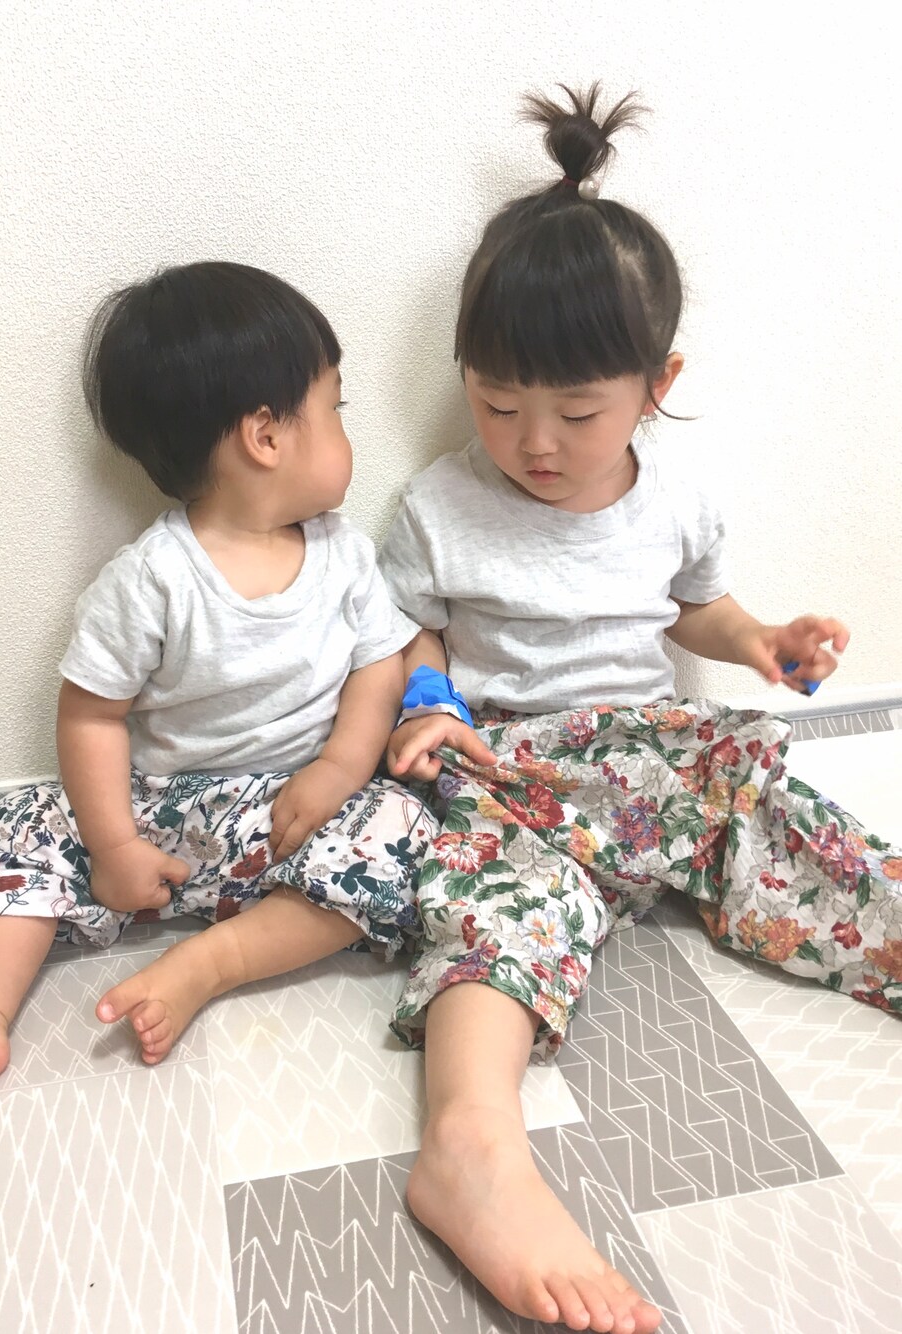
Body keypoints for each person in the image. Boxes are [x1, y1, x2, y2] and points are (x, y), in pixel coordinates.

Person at [380, 84, 902, 1334]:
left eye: (576, 411)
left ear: (657, 384)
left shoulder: (676, 495)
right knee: (492, 909)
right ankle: (469, 1144)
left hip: (659, 766)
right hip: (516, 770)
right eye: (496, 403)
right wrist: (429, 698)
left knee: (785, 823)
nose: (534, 443)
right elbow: (406, 629)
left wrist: (759, 641)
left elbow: (693, 611)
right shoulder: (439, 507)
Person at [0, 261, 434, 1088]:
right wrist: (112, 843)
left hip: (289, 816)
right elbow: (91, 716)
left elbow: (379, 666)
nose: (344, 430)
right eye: (335, 408)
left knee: (402, 828)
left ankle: (214, 962)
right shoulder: (152, 577)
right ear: (265, 436)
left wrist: (338, 769)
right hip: (154, 814)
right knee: (28, 817)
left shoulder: (344, 555)